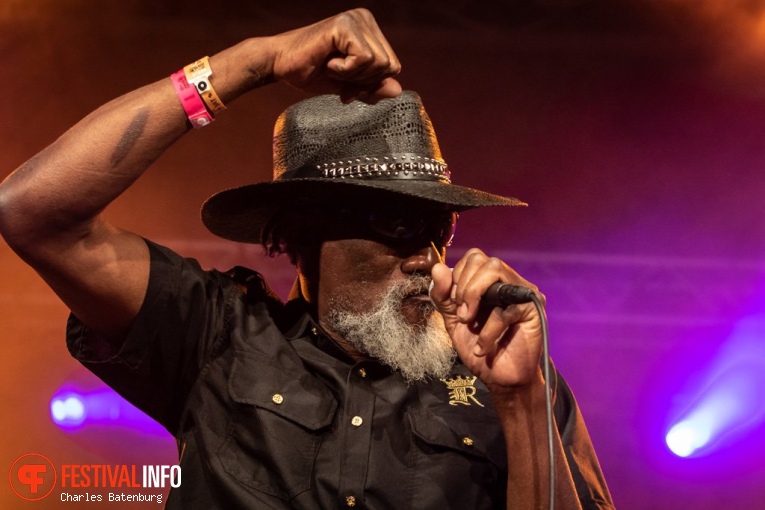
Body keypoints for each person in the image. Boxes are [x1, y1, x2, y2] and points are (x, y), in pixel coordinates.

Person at [0, 8, 614, 510]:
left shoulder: (510, 378)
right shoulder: (215, 336)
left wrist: (521, 401)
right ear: (297, 234)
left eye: (438, 229)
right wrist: (255, 60)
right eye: (398, 227)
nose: (427, 259)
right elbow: (31, 212)